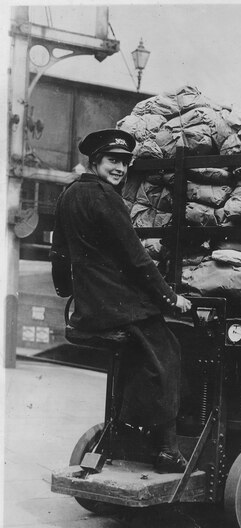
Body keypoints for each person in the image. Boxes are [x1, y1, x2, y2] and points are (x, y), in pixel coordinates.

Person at [50, 128, 192, 473]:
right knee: (168, 354)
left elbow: (59, 254)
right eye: (113, 161)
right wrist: (171, 298)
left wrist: (69, 293)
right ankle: (169, 451)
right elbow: (136, 259)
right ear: (95, 160)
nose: (121, 169)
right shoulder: (106, 197)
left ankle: (130, 428)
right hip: (117, 305)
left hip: (89, 309)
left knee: (139, 358)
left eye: (125, 163)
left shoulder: (68, 195)